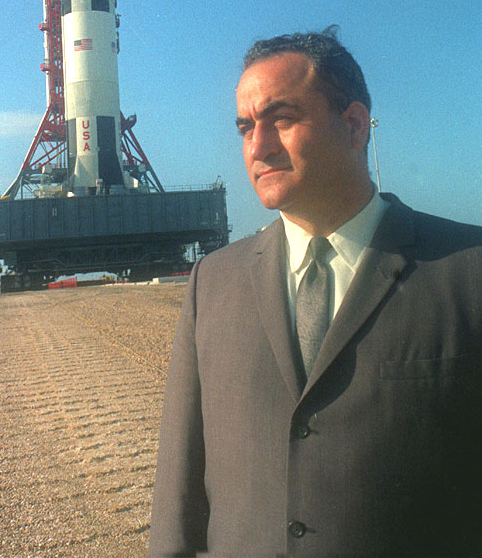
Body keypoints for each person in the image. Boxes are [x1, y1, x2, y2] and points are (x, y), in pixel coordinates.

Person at [148, 28, 482, 558]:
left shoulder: (465, 271)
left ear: (353, 126)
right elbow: (179, 496)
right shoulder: (212, 285)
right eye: (244, 127)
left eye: (281, 118)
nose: (257, 146)